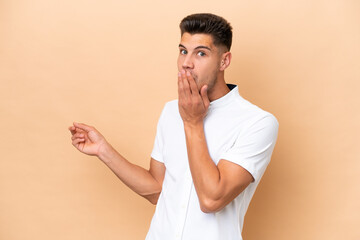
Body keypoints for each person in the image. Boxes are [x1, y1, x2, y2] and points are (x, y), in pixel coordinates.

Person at [69, 13, 279, 240]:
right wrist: (103, 150)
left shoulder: (257, 122)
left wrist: (192, 121)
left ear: (224, 61)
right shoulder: (171, 111)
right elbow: (157, 190)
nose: (187, 63)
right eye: (183, 51)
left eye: (201, 53)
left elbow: (212, 199)